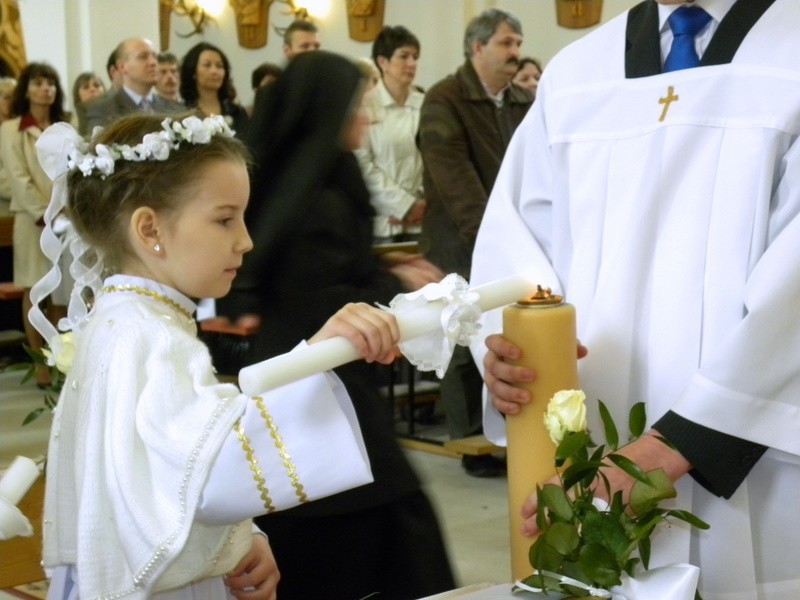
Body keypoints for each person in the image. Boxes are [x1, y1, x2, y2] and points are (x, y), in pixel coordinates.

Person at [472, 0, 800, 597]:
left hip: (753, 463)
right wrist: (502, 348)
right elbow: (515, 245)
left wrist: (680, 444)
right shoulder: (575, 74)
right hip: (584, 459)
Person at [30, 112, 403, 598]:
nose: (246, 240)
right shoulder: (147, 337)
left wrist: (242, 536)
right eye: (225, 219)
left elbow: (171, 471)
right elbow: (211, 470)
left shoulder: (133, 320)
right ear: (149, 230)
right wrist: (317, 357)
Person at [220, 51, 454, 600]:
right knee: (365, 524)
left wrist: (387, 271)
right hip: (310, 378)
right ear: (329, 110)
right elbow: (320, 301)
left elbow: (343, 267)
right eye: (358, 107)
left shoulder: (326, 171)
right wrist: (396, 294)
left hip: (333, 375)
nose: (367, 119)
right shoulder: (315, 196)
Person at [418, 8, 532, 477]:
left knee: (511, 338)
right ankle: (472, 444)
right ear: (477, 48)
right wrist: (495, 243)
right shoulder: (445, 100)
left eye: (518, 43)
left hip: (514, 243)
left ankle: (511, 436)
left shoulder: (524, 100)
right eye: (506, 43)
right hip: (459, 242)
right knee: (464, 340)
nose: (516, 53)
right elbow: (456, 183)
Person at [0, 63, 71, 387]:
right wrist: (45, 213)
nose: (47, 89)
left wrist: (67, 210)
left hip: (66, 219)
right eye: (39, 83)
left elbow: (76, 170)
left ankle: (60, 356)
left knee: (60, 291)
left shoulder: (66, 125)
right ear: (26, 89)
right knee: (35, 288)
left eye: (51, 83)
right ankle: (38, 360)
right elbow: (18, 176)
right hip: (33, 220)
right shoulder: (12, 128)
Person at [355, 25, 426, 244]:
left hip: (424, 217)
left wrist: (421, 205)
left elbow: (438, 159)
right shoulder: (365, 105)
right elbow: (364, 166)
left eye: (415, 57)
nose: (412, 63)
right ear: (382, 62)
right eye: (404, 56)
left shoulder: (427, 104)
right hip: (383, 222)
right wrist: (404, 206)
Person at [86, 37, 183, 131]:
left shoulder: (174, 109)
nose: (153, 62)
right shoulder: (104, 111)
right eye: (143, 57)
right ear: (122, 66)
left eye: (154, 56)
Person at [180, 41, 249, 137]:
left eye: (219, 66)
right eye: (207, 65)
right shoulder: (182, 112)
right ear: (193, 72)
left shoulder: (236, 112)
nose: (214, 71)